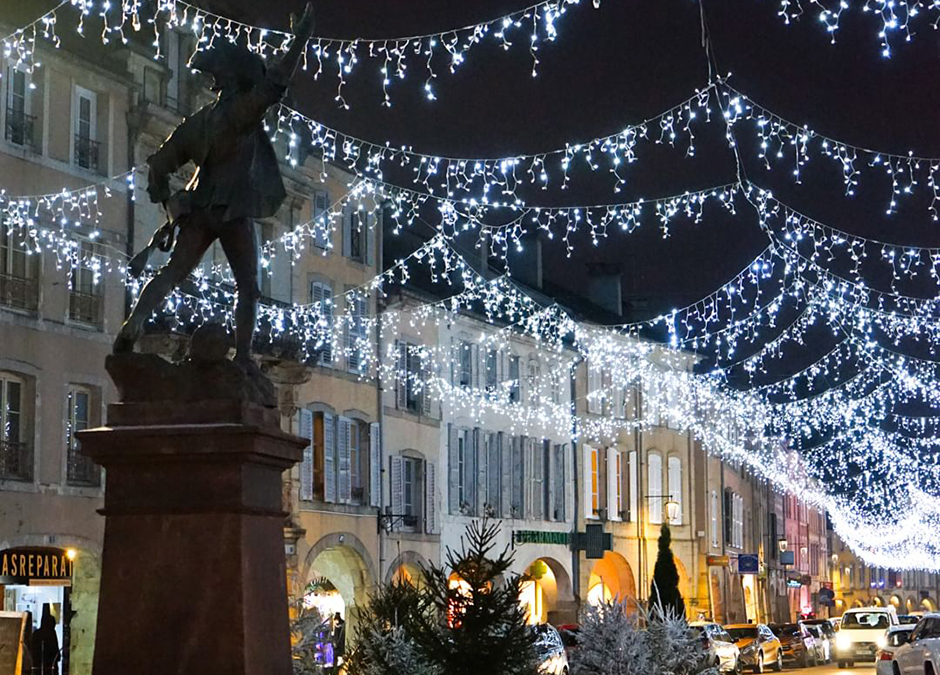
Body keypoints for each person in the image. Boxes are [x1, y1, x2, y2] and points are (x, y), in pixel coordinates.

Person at [112, 3, 316, 366]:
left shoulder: (199, 122)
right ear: (241, 80)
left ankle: (134, 321)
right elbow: (277, 81)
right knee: (248, 288)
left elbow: (158, 164)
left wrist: (168, 201)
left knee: (172, 272)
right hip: (232, 211)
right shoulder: (241, 113)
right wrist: (300, 40)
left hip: (199, 209)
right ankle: (242, 358)